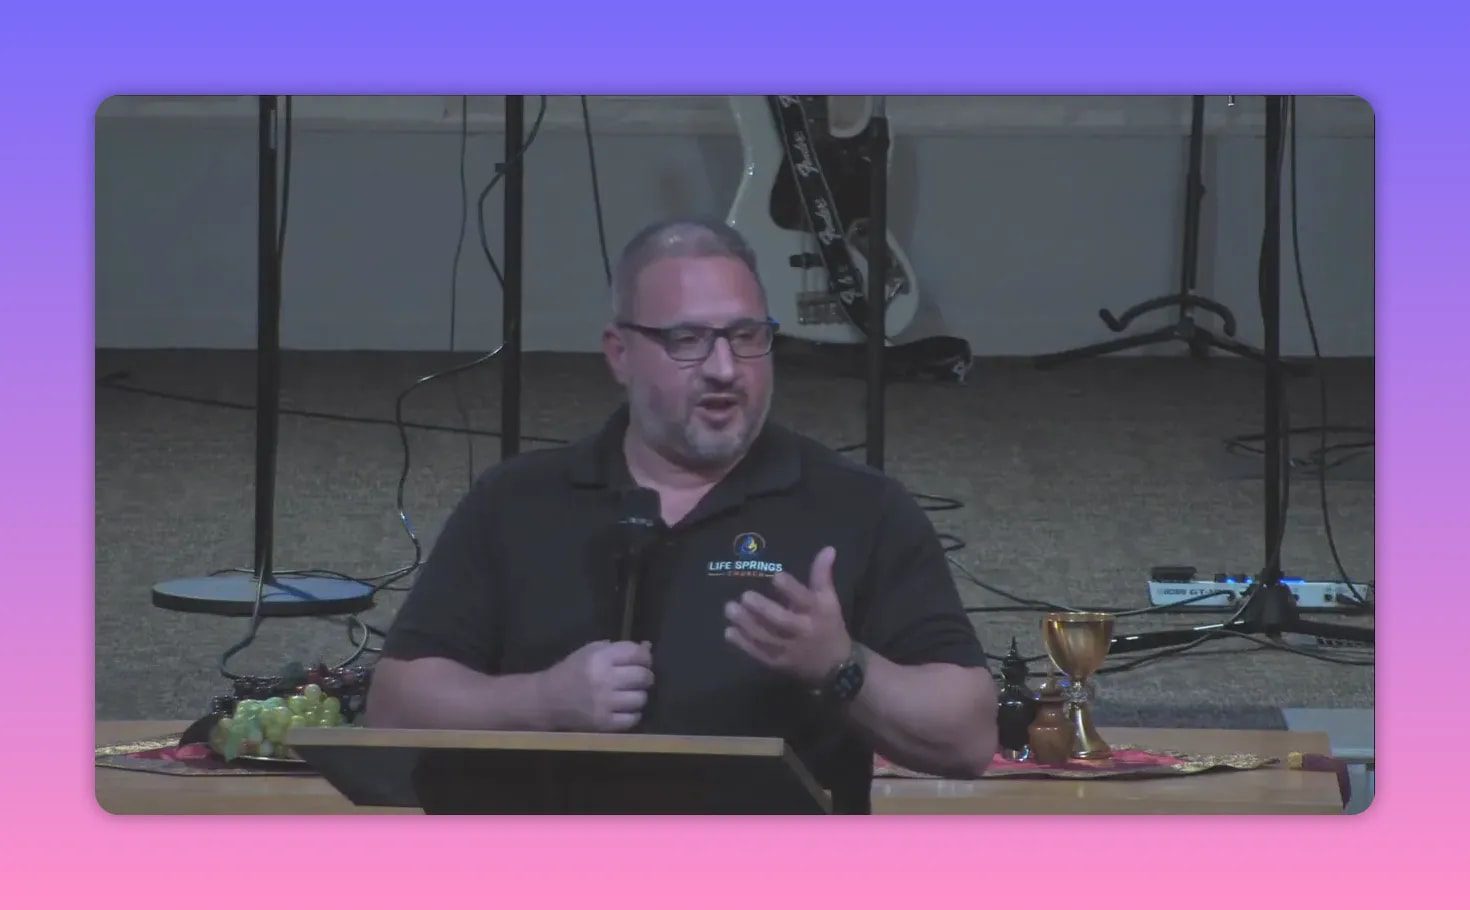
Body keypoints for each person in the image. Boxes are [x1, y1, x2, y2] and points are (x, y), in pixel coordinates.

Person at [365, 217, 997, 812]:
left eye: (747, 337)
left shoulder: (860, 507)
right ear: (619, 353)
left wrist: (842, 666)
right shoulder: (516, 501)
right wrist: (541, 700)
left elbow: (968, 736)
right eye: (688, 340)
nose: (724, 369)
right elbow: (395, 703)